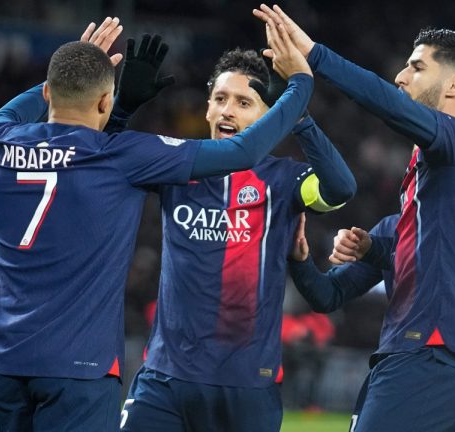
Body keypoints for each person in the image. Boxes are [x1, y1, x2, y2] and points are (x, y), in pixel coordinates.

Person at [0, 16, 314, 432]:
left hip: (4, 361)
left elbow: (41, 104)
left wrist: (82, 67)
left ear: (48, 90)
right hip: (79, 367)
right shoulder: (121, 155)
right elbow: (242, 153)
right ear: (105, 102)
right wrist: (300, 84)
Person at [254, 4, 455, 430]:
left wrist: (314, 55)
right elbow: (328, 297)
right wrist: (363, 250)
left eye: (416, 67)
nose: (401, 77)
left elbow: (389, 106)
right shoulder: (425, 193)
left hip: (428, 350)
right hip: (425, 354)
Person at [119, 37, 356, 432]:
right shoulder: (176, 162)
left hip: (246, 385)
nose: (228, 110)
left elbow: (340, 188)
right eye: (221, 98)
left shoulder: (283, 179)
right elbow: (102, 160)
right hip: (166, 378)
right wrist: (122, 110)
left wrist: (300, 119)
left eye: (244, 103)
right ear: (208, 106)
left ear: (268, 117)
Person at [288, 212, 455, 431]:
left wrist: (442, 352)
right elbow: (328, 295)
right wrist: (300, 259)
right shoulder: (393, 228)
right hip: (398, 375)